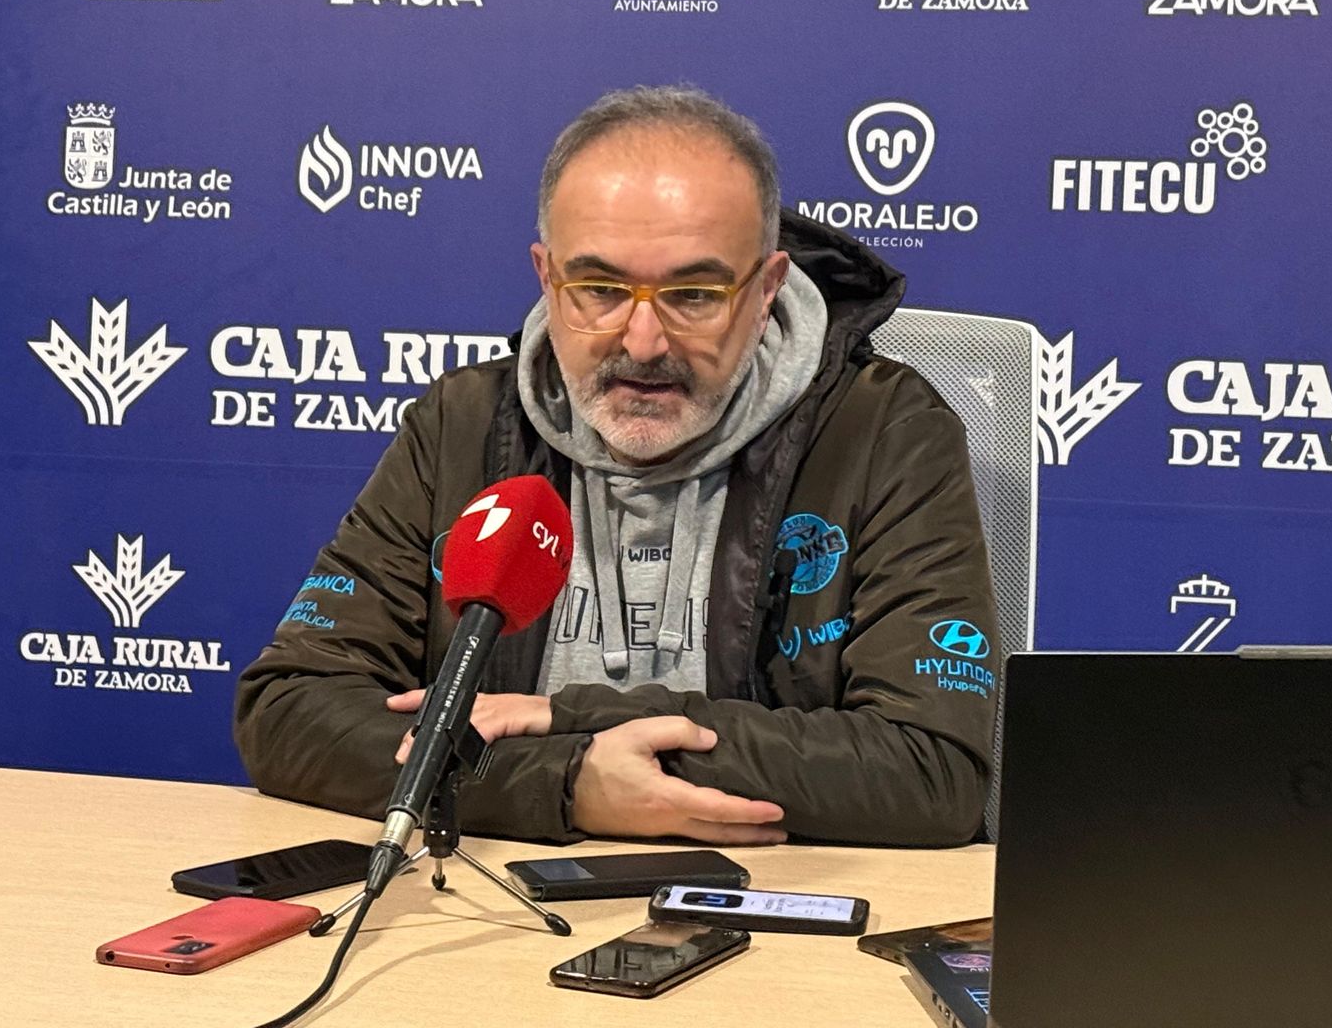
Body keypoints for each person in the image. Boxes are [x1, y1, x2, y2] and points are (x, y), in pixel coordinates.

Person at [234, 85, 998, 846]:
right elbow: (288, 711)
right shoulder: (462, 429)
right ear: (546, 277)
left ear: (765, 290)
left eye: (693, 294)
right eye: (599, 289)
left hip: (773, 910)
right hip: (498, 900)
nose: (641, 342)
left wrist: (572, 719)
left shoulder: (885, 431)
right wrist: (565, 785)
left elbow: (931, 771)